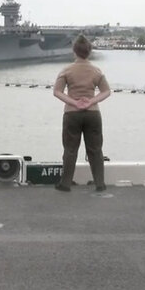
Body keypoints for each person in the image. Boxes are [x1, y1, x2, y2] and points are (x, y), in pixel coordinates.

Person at [53, 35, 112, 192]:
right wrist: (91, 101)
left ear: (74, 51)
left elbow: (57, 92)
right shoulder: (96, 71)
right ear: (89, 51)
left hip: (72, 113)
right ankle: (100, 183)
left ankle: (65, 184)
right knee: (95, 149)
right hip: (93, 114)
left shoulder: (67, 70)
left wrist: (74, 102)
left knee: (70, 149)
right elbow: (106, 91)